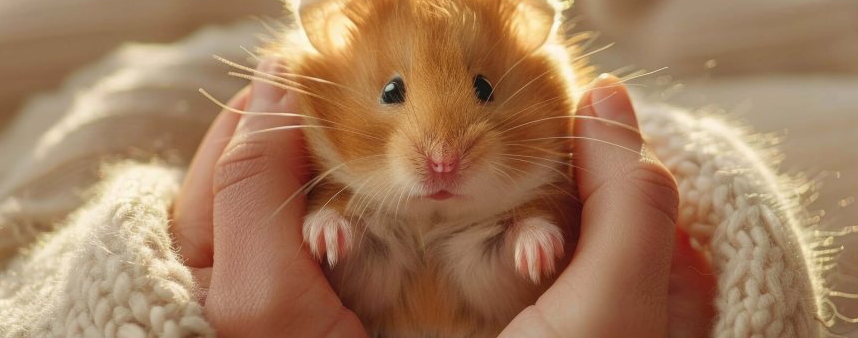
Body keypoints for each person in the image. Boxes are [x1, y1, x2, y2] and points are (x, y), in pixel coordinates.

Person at [169, 60, 696, 337]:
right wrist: (331, 217)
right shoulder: (324, 162)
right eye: (393, 93)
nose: (443, 156)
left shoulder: (553, 171)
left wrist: (531, 227)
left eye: (483, 88)